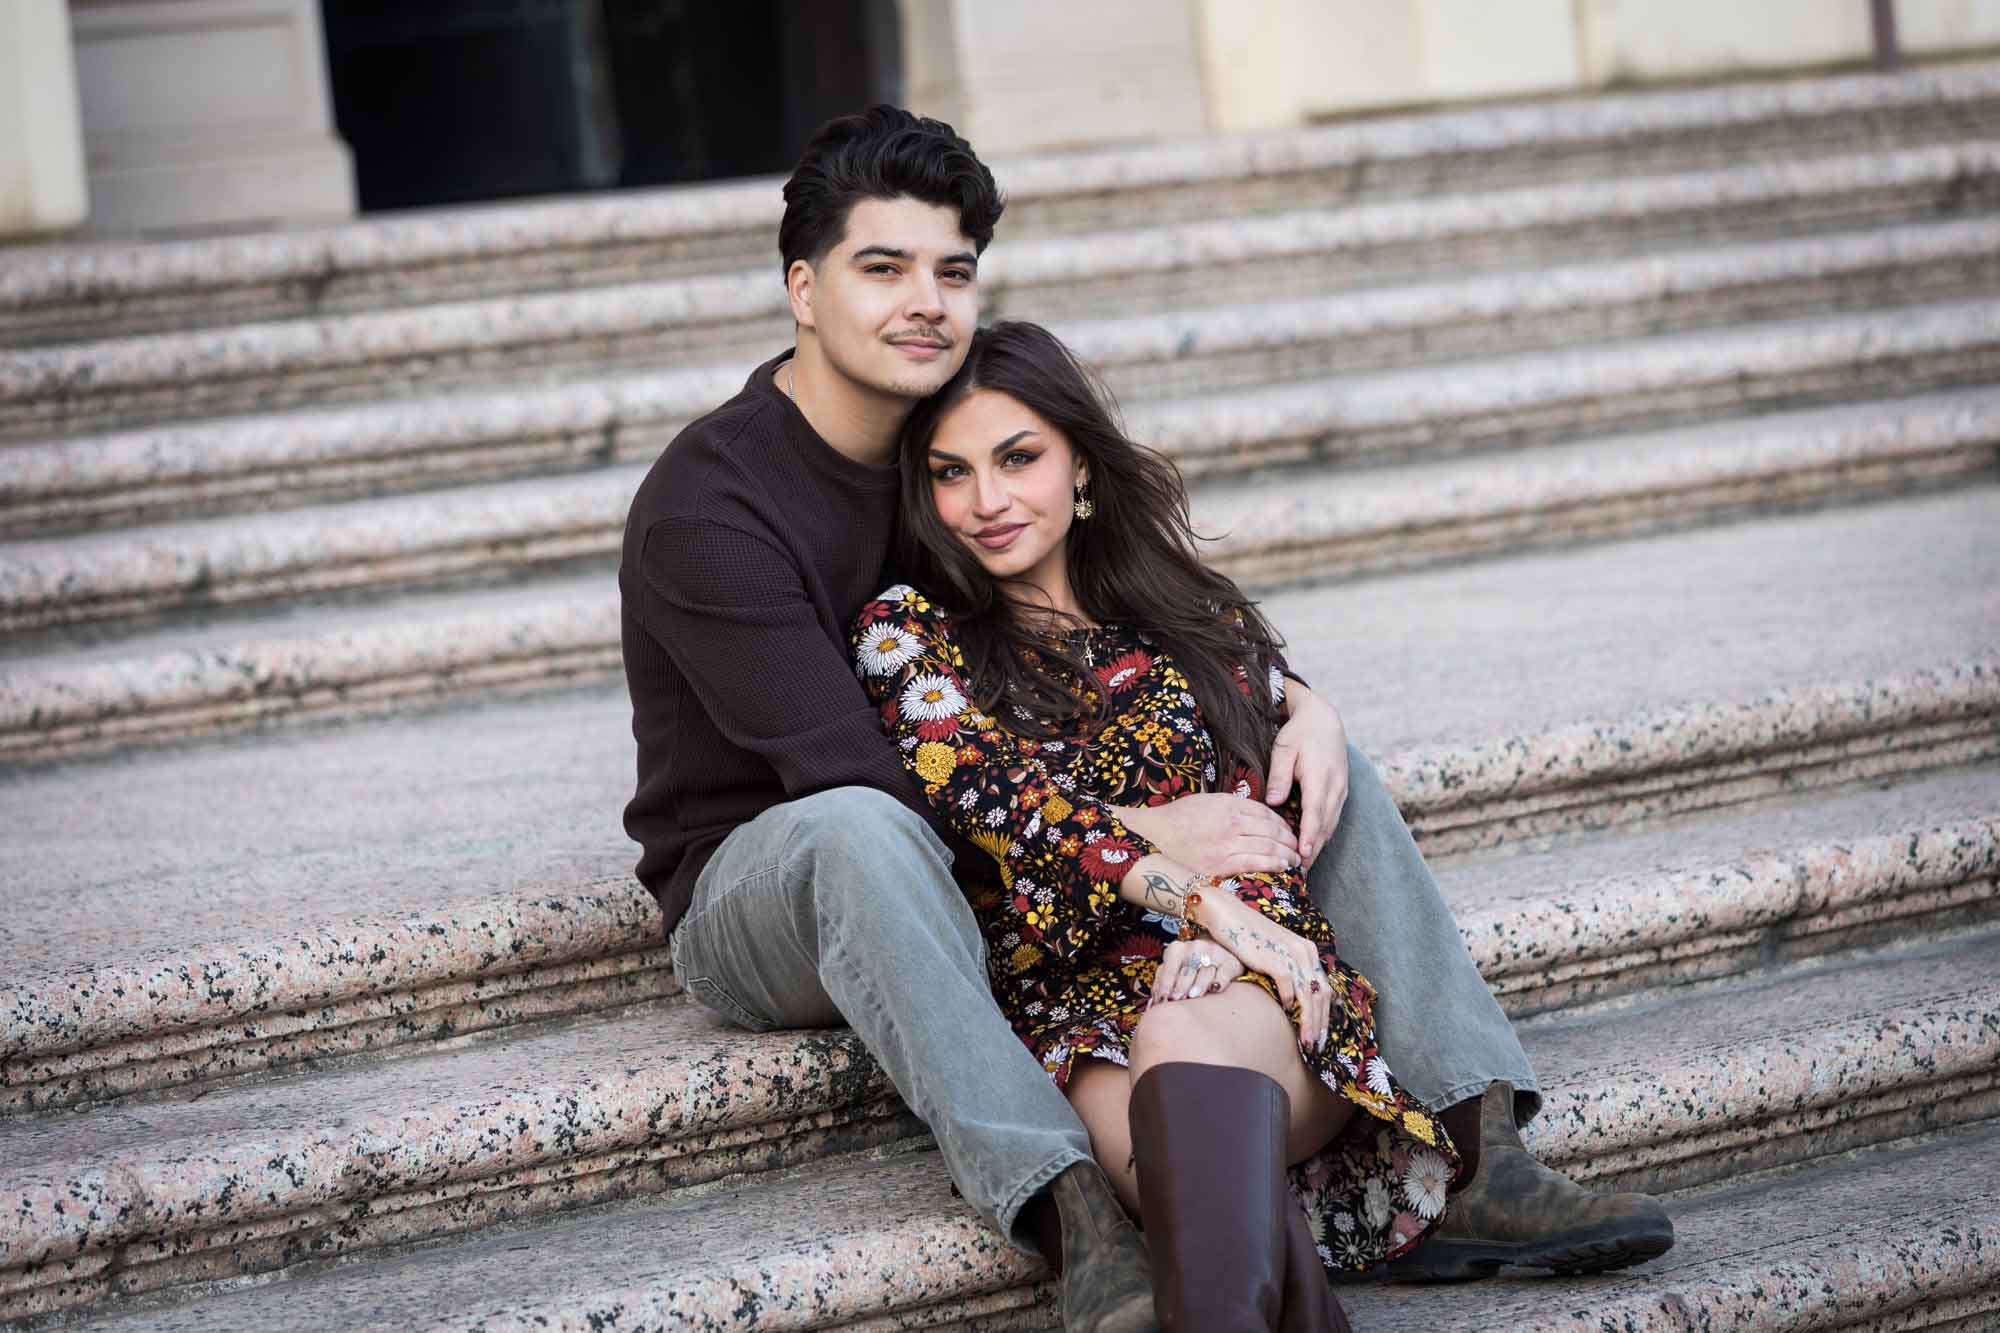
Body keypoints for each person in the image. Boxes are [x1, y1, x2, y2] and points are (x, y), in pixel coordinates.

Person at [619, 105, 1671, 1333]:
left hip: (1006, 842)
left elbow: (1128, 612)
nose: (924, 301)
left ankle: (1481, 1148)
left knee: (1313, 763)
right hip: (775, 876)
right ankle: (1076, 1224)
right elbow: (876, 781)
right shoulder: (712, 504)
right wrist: (1156, 836)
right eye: (881, 268)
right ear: (802, 289)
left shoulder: (943, 449)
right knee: (861, 831)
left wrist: (1298, 703)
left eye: (950, 272)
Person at [852, 318, 1472, 1326]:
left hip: (1252, 988)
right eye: (950, 472)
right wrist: (1195, 892)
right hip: (1071, 1020)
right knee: (1176, 1154)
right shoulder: (908, 638)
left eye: (1018, 458)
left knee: (1184, 1038)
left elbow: (1260, 826)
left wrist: (1235, 932)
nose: (988, 501)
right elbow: (1004, 806)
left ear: (1082, 466)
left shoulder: (1188, 618)